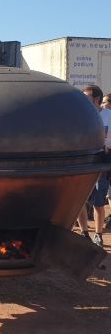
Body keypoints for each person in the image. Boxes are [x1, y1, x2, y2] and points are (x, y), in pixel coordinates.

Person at [77, 85, 111, 247]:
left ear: (96, 99)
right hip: (83, 162)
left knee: (99, 201)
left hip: (102, 161)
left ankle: (98, 235)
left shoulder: (109, 115)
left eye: (86, 98)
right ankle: (84, 233)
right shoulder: (81, 116)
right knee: (79, 200)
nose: (83, 100)